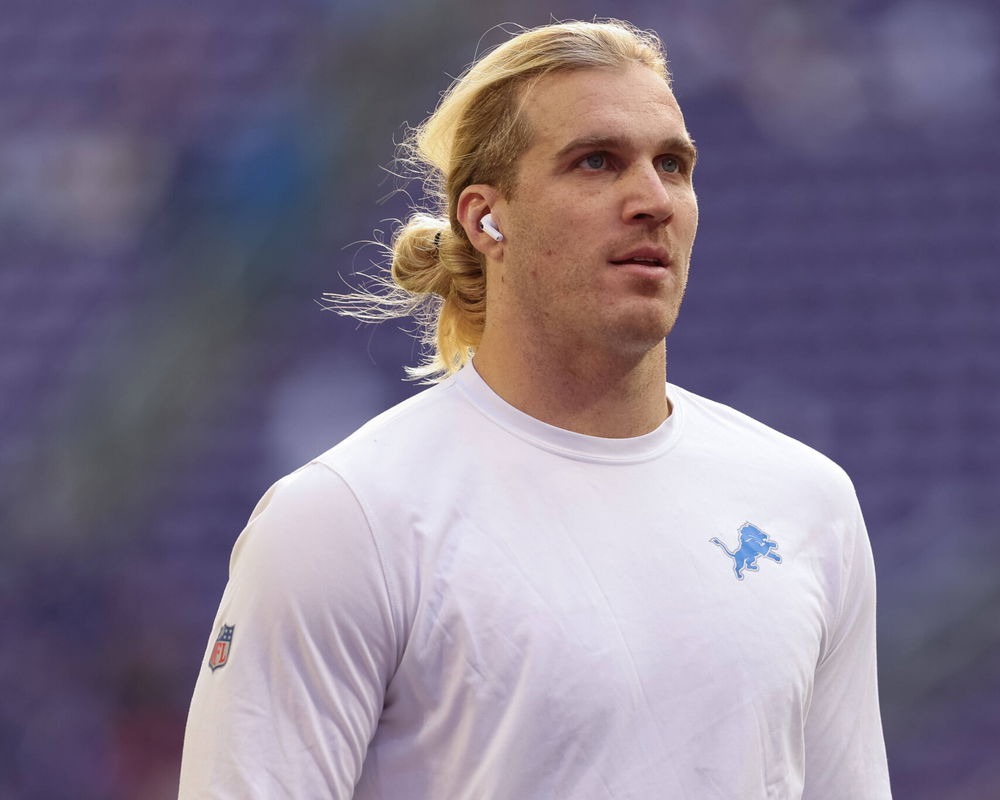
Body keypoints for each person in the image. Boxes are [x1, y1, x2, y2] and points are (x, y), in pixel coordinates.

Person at [179, 19, 891, 799]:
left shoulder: (807, 502)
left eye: (673, 165)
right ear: (485, 219)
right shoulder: (344, 521)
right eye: (597, 161)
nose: (653, 200)